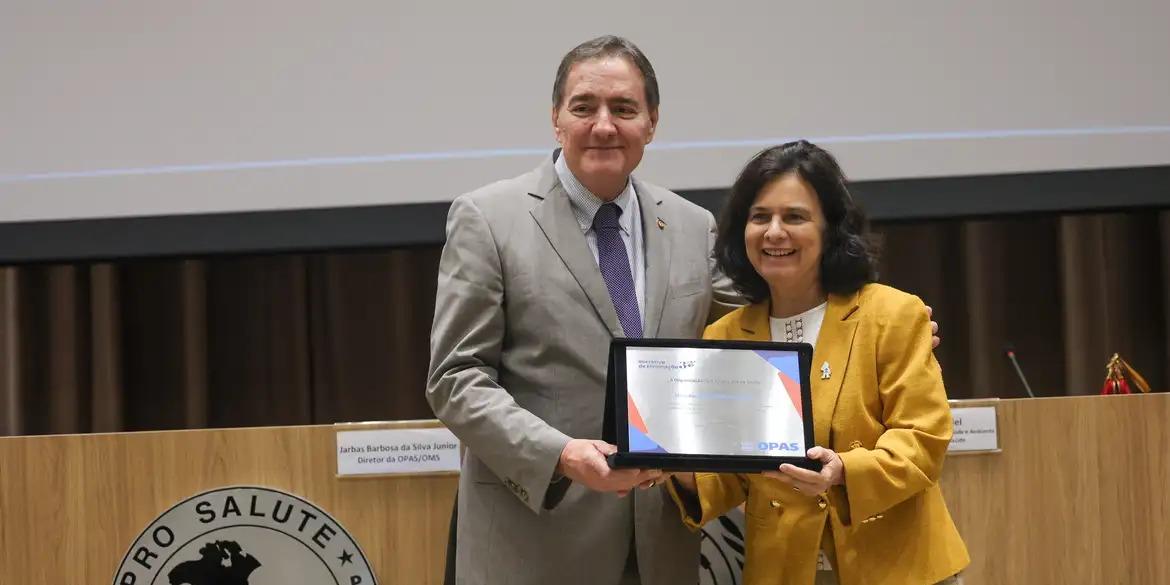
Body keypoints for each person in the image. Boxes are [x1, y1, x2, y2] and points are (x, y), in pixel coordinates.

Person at [427, 36, 942, 585]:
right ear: (556, 118)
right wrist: (561, 455)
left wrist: (885, 329)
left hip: (661, 541)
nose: (604, 125)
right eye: (584, 107)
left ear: (651, 123)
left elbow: (777, 313)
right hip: (535, 539)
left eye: (624, 109)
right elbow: (455, 379)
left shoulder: (693, 226)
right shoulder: (487, 218)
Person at [667, 140, 969, 585]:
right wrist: (672, 464)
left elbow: (923, 440)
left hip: (898, 569)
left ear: (831, 230)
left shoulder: (893, 314)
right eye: (759, 217)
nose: (774, 232)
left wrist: (845, 471)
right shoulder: (724, 337)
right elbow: (728, 474)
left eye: (795, 217)